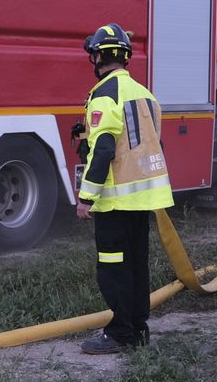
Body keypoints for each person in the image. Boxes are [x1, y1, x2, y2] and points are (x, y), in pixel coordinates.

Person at [74, 23, 174, 354]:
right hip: (142, 200)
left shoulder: (104, 94)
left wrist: (86, 197)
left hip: (115, 203)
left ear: (99, 57)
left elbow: (103, 150)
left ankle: (120, 334)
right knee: (136, 266)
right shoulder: (145, 94)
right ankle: (138, 329)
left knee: (113, 268)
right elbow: (151, 145)